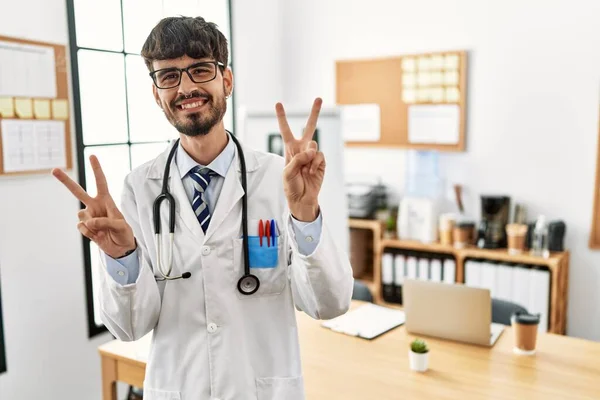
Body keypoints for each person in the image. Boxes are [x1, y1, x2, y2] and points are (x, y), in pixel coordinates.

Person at [52, 16, 353, 400]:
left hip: (261, 389)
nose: (187, 87)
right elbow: (128, 328)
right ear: (156, 93)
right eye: (169, 76)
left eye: (200, 70)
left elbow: (330, 304)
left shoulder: (282, 179)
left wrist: (305, 213)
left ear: (226, 80)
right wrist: (121, 256)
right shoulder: (138, 190)